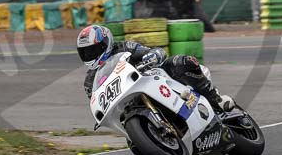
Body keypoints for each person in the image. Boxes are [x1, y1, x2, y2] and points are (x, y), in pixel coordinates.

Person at [77, 24, 236, 113]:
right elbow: (99, 105)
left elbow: (151, 51)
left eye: (93, 50)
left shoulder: (124, 47)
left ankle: (216, 99)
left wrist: (151, 56)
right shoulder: (90, 81)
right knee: (136, 148)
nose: (90, 54)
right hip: (130, 104)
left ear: (106, 42)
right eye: (85, 52)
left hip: (152, 79)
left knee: (184, 62)